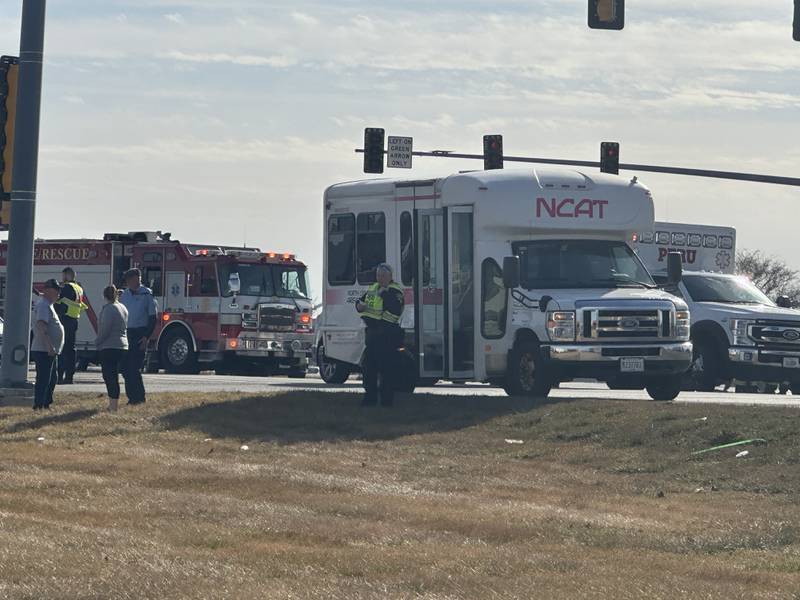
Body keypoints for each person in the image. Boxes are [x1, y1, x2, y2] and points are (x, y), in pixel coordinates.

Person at [355, 263, 405, 407]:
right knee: (368, 369)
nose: (380, 278)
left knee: (387, 371)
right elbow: (361, 302)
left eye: (383, 275)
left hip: (388, 335)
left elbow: (395, 310)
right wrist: (359, 305)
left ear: (390, 277)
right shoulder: (373, 288)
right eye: (378, 275)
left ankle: (386, 402)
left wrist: (384, 294)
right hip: (373, 335)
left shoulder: (395, 291)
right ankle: (370, 399)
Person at [119, 269, 158, 405]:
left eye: (131, 279)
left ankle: (139, 397)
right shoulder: (124, 295)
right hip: (127, 333)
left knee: (134, 367)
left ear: (137, 279)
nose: (129, 282)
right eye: (127, 280)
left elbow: (153, 318)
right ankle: (131, 397)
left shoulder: (146, 294)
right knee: (124, 368)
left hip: (140, 333)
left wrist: (146, 337)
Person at [30, 279, 65, 410]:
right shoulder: (44, 305)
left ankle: (46, 403)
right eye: (57, 291)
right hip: (43, 349)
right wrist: (49, 345)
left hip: (50, 349)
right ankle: (39, 405)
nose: (58, 295)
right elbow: (41, 325)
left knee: (52, 378)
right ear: (49, 291)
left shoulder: (48, 304)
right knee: (44, 379)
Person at [95, 285, 129, 412]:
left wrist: (98, 342)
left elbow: (105, 329)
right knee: (114, 375)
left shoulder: (109, 309)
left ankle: (113, 406)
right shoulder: (123, 308)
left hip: (110, 346)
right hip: (122, 345)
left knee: (109, 376)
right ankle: (114, 404)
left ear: (105, 296)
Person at [55, 267, 87, 385]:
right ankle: (69, 376)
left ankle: (60, 376)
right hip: (74, 320)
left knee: (62, 350)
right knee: (71, 349)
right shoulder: (79, 288)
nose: (62, 278)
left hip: (65, 319)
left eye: (63, 275)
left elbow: (58, 299)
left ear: (67, 275)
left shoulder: (67, 287)